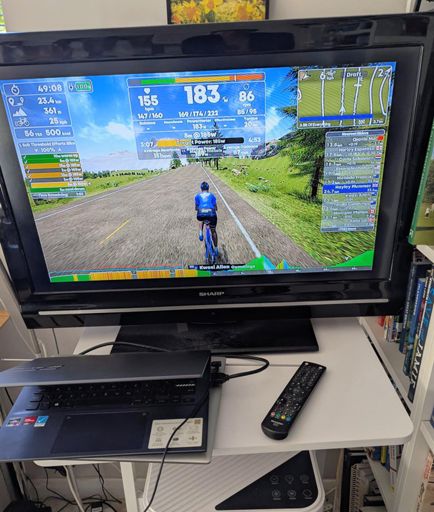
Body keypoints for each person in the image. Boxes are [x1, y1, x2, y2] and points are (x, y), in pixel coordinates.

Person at [195, 181, 218, 250]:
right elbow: (215, 207)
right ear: (208, 188)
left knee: (201, 219)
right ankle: (216, 248)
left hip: (201, 214)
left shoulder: (197, 196)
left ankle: (200, 232)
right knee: (213, 231)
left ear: (201, 188)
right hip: (211, 214)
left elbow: (196, 208)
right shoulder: (212, 195)